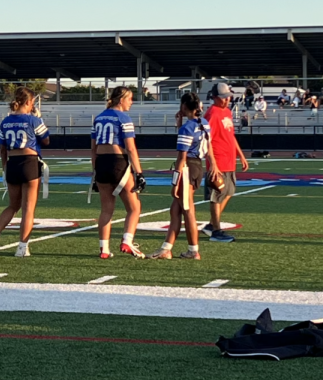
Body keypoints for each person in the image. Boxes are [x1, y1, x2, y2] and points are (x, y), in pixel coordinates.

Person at [0, 87, 51, 258]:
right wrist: (39, 119)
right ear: (28, 102)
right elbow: (46, 140)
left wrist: (4, 168)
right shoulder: (33, 120)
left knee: (13, 205)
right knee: (28, 209)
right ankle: (22, 247)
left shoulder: (5, 122)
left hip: (12, 163)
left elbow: (2, 149)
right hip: (29, 163)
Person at [150, 92, 209, 261]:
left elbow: (182, 157)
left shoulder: (187, 128)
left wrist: (175, 181)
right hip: (198, 166)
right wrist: (180, 124)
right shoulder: (204, 123)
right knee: (175, 209)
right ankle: (166, 248)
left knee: (187, 209)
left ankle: (193, 250)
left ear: (184, 106)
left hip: (187, 168)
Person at [90, 86, 146, 259]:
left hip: (101, 163)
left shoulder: (99, 118)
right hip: (117, 162)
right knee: (134, 207)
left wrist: (94, 172)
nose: (132, 102)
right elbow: (130, 148)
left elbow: (93, 149)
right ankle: (127, 240)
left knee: (106, 209)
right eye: (130, 98)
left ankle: (104, 249)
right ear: (121, 99)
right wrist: (139, 172)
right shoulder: (123, 117)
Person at [203, 83, 248, 243]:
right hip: (218, 161)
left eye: (228, 96)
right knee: (217, 195)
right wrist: (213, 164)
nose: (227, 100)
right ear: (215, 98)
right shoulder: (212, 114)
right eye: (223, 98)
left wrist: (241, 155)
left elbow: (231, 136)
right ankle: (216, 230)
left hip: (229, 160)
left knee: (229, 192)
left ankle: (211, 224)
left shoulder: (227, 111)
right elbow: (207, 141)